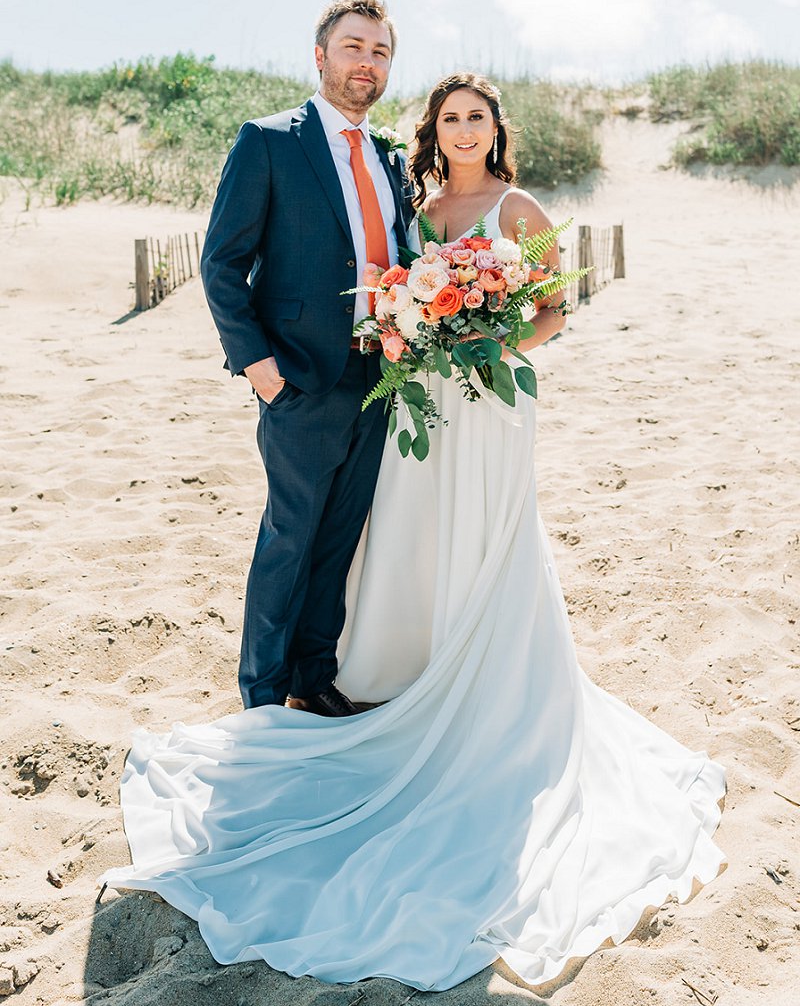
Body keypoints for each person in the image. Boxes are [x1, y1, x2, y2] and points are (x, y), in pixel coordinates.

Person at [105, 73, 725, 992]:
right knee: (411, 537)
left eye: (478, 116)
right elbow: (391, 289)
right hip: (422, 402)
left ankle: (491, 700)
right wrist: (421, 328)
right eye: (450, 117)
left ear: (496, 128)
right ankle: (395, 679)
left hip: (494, 403)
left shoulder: (519, 206)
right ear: (434, 132)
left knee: (492, 542)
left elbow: (557, 306)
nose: (464, 128)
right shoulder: (420, 203)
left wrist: (493, 342)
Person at [199, 0, 409, 715]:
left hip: (378, 375)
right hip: (298, 377)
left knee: (340, 537)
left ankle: (312, 679)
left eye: (380, 51)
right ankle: (260, 696)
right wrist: (261, 371)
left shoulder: (391, 157)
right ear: (321, 56)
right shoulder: (269, 141)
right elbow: (222, 264)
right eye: (353, 47)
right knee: (289, 537)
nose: (366, 62)